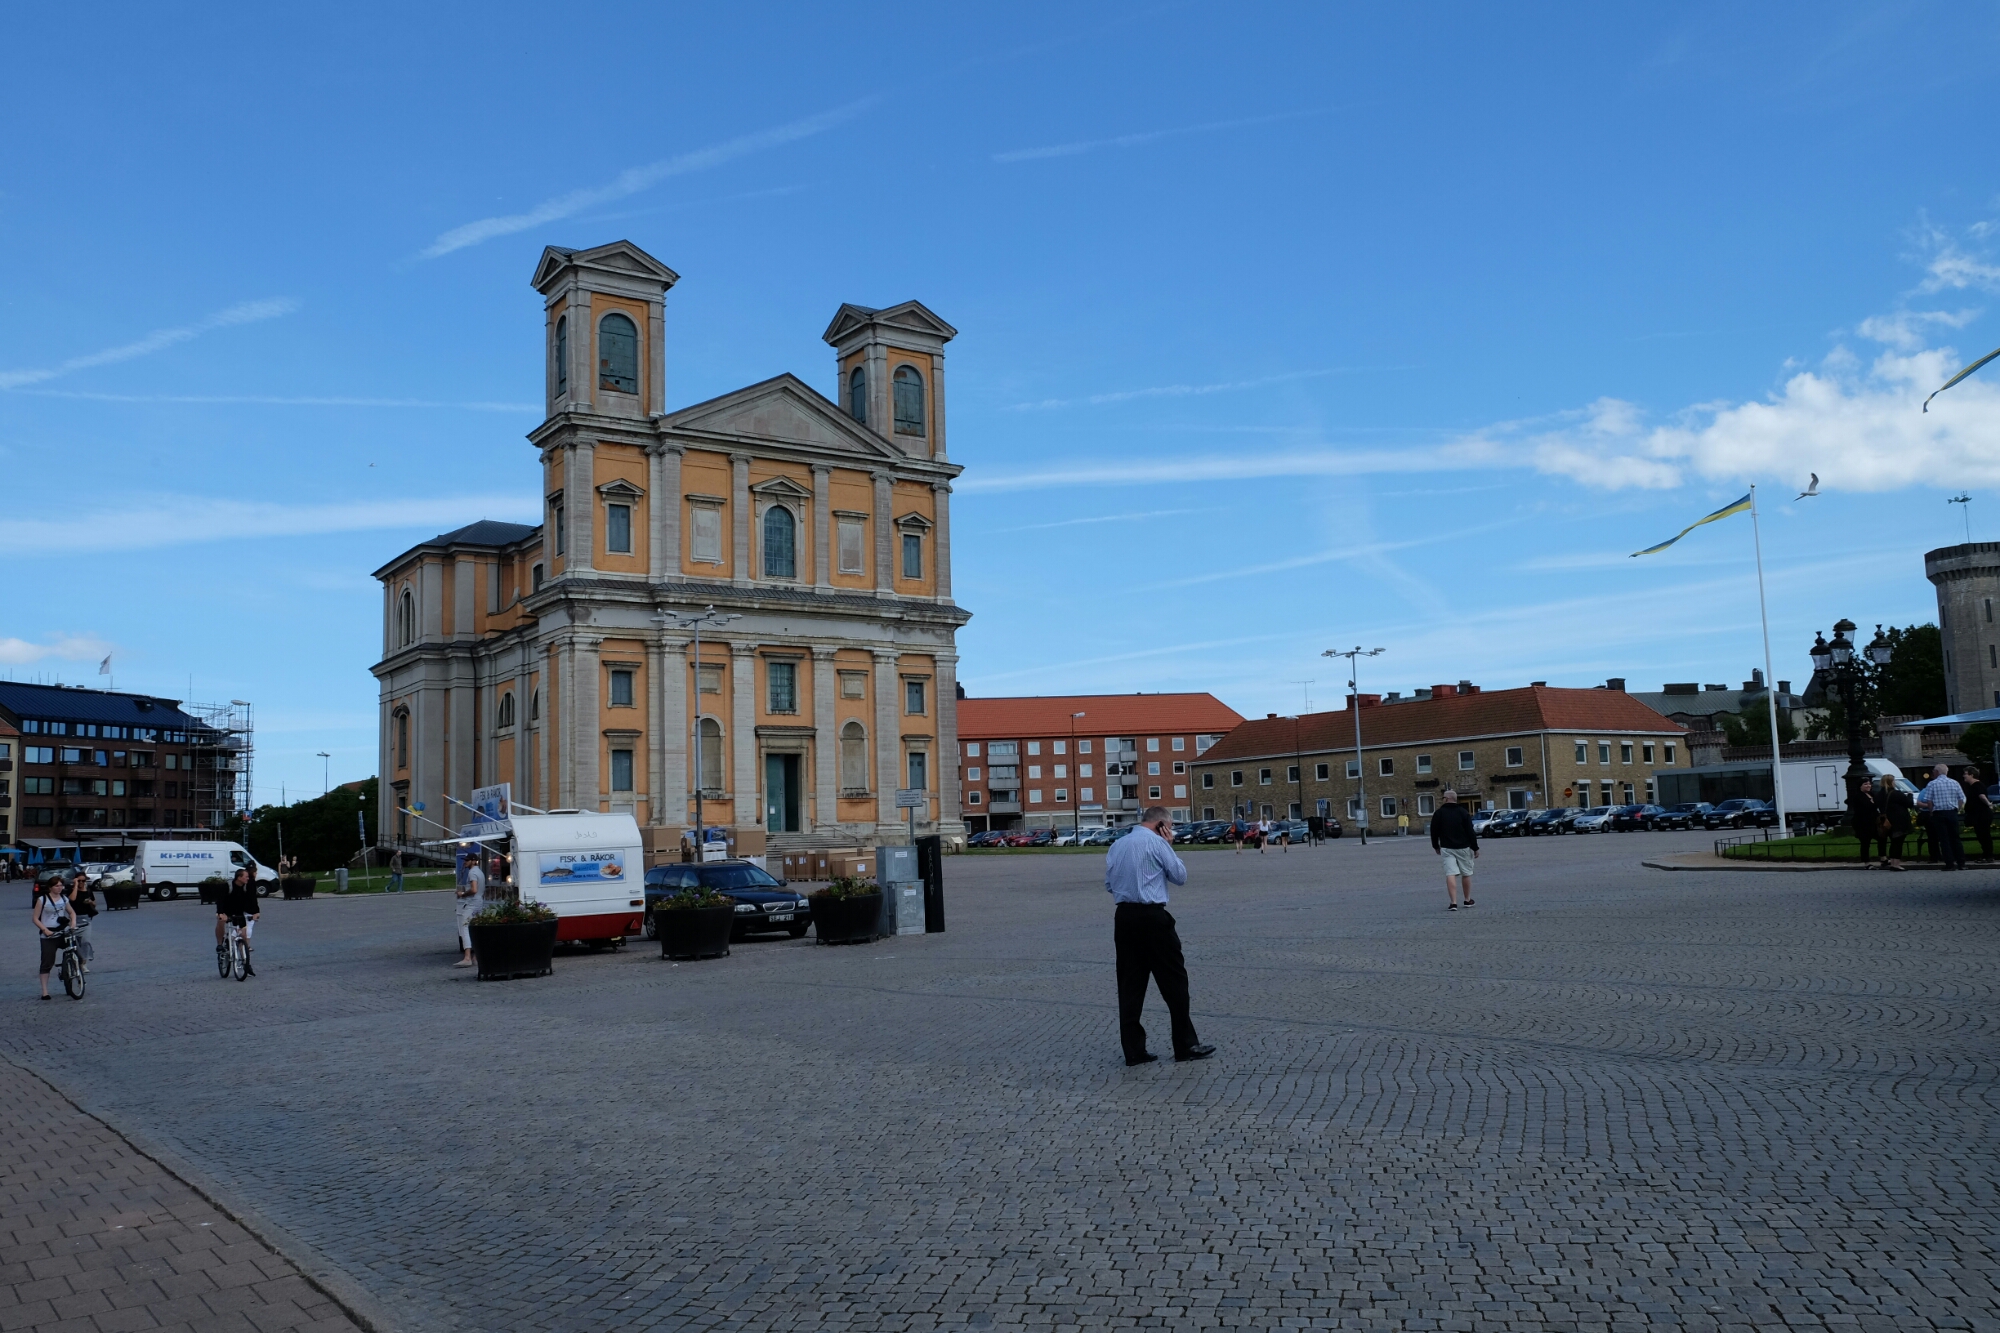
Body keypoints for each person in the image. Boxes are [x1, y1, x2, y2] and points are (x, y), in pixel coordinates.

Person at [1104, 804, 1214, 1067]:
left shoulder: (1117, 845)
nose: (1171, 831)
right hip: (1153, 917)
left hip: (1124, 918)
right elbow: (1180, 876)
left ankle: (1134, 1051)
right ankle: (1185, 1045)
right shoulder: (1157, 843)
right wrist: (1170, 846)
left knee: (1130, 985)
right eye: (1171, 827)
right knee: (1175, 982)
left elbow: (1109, 884)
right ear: (1161, 825)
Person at [1430, 788, 1478, 910]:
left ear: (1447, 799)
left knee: (1450, 873)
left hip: (1447, 847)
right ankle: (1467, 900)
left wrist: (1435, 845)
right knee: (1466, 873)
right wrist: (1475, 847)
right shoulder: (1463, 812)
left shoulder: (1439, 813)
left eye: (1443, 798)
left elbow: (1434, 831)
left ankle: (1453, 902)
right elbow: (1470, 831)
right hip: (1463, 847)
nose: (1442, 799)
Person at [1915, 763, 1967, 871]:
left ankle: (1949, 863)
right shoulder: (1954, 782)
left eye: (1934, 771)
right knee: (1955, 838)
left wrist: (1931, 811)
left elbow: (1929, 801)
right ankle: (1961, 862)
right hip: (1952, 812)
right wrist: (1957, 808)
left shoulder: (1932, 784)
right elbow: (1962, 798)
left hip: (1939, 813)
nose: (1933, 772)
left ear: (1937, 772)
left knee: (1944, 839)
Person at [32, 874, 74, 1000]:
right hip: (49, 933)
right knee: (47, 962)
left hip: (63, 931)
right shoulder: (42, 900)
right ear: (50, 887)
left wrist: (73, 922)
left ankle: (73, 970)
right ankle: (45, 991)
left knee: (76, 949)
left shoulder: (64, 899)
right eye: (57, 886)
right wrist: (44, 930)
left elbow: (71, 912)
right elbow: (35, 918)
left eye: (61, 885)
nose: (59, 888)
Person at [215, 867, 261, 975]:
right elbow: (220, 899)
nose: (248, 879)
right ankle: (220, 944)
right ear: (239, 877)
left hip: (239, 911)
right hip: (226, 910)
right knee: (221, 922)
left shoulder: (247, 886)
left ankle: (246, 962)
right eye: (246, 877)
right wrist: (220, 913)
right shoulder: (228, 886)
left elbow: (252, 899)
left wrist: (256, 912)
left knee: (243, 935)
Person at [455, 851, 485, 967]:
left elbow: (474, 889)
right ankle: (476, 957)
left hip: (471, 903)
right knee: (476, 929)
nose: (465, 862)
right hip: (479, 902)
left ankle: (467, 957)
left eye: (467, 860)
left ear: (473, 861)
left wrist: (462, 894)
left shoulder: (472, 873)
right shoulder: (480, 872)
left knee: (465, 928)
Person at [1877, 774, 1911, 871]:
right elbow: (1909, 804)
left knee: (1893, 843)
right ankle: (1896, 864)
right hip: (1898, 821)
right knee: (1898, 843)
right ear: (1891, 782)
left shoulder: (1879, 794)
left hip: (1887, 821)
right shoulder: (1896, 793)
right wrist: (1910, 795)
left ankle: (1892, 862)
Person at [1961, 767, 1993, 862]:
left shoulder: (1977, 785)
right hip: (1978, 815)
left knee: (1984, 835)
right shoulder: (1973, 786)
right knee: (1982, 836)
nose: (1964, 776)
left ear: (1972, 775)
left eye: (1966, 774)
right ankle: (1986, 855)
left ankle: (1988, 856)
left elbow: (1981, 795)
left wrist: (1988, 804)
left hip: (1981, 815)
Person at [1848, 775, 1879, 867]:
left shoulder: (1872, 794)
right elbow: (1867, 807)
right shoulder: (1858, 797)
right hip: (1863, 823)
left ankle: (1883, 857)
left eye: (1869, 784)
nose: (1868, 786)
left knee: (1881, 838)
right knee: (1865, 843)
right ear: (1860, 786)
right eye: (1865, 784)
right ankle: (1867, 862)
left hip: (1874, 822)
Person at [68, 868, 96, 971]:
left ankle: (84, 963)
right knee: (75, 943)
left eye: (83, 881)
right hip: (74, 919)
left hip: (86, 919)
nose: (81, 883)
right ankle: (78, 960)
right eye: (78, 880)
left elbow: (94, 903)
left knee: (85, 941)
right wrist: (75, 886)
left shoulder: (88, 891)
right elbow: (72, 899)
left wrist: (90, 902)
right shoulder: (71, 890)